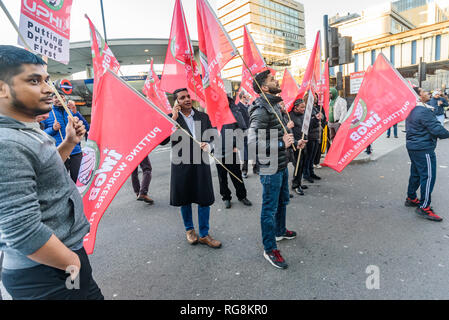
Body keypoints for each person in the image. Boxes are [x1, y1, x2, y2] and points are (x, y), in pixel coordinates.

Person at [0, 45, 103, 300]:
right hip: (48, 273)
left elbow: (40, 178)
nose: (48, 89)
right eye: (34, 81)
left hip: (58, 265)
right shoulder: (6, 143)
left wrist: (68, 143)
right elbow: (23, 232)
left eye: (46, 79)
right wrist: (72, 263)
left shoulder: (23, 128)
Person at [248, 70, 306, 269]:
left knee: (283, 201)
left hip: (281, 165)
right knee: (269, 208)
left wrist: (295, 142)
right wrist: (281, 144)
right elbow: (253, 142)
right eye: (272, 80)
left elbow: (283, 133)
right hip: (270, 168)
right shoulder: (261, 110)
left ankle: (280, 231)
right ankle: (270, 248)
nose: (276, 81)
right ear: (264, 88)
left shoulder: (274, 105)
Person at [161, 88, 221, 248]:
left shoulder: (203, 116)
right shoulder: (172, 119)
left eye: (188, 96)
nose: (187, 99)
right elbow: (162, 141)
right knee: (184, 198)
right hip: (181, 164)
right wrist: (173, 118)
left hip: (201, 163)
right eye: (182, 98)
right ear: (177, 102)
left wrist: (208, 145)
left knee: (204, 198)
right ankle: (189, 230)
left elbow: (213, 137)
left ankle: (204, 234)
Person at [404, 86, 449, 222]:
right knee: (428, 176)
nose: (427, 93)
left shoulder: (412, 109)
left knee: (416, 174)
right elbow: (437, 130)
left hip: (413, 147)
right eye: (423, 91)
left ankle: (411, 198)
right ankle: (424, 207)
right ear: (418, 96)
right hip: (423, 148)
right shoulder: (423, 111)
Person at [214, 96, 252, 209]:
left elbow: (243, 130)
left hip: (231, 151)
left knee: (236, 176)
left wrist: (236, 145)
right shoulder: (212, 114)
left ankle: (242, 196)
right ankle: (226, 197)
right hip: (217, 152)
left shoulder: (234, 112)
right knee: (222, 178)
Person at [42, 92, 83, 183]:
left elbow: (86, 127)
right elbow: (40, 134)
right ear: (52, 100)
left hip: (76, 152)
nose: (58, 99)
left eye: (61, 97)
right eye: (55, 97)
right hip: (59, 152)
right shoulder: (47, 113)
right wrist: (52, 129)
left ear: (65, 99)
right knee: (60, 182)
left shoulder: (71, 111)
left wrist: (75, 112)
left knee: (79, 181)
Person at [289, 98, 312, 196]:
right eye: (302, 107)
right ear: (296, 107)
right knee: (297, 166)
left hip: (304, 144)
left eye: (304, 106)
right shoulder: (290, 116)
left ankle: (299, 183)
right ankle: (295, 185)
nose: (304, 109)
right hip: (296, 146)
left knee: (302, 165)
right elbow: (288, 131)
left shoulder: (304, 115)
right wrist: (295, 142)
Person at [303, 94, 323, 184]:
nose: (316, 99)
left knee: (312, 157)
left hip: (316, 136)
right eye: (314, 98)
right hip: (310, 136)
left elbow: (320, 120)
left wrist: (320, 117)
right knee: (308, 157)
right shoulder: (307, 110)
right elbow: (308, 125)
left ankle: (311, 172)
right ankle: (306, 174)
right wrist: (315, 119)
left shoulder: (314, 108)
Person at [236, 91, 257, 177]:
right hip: (243, 132)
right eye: (248, 96)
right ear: (243, 97)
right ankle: (244, 170)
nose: (249, 98)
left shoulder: (250, 106)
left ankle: (256, 168)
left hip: (251, 131)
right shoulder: (237, 107)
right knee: (244, 152)